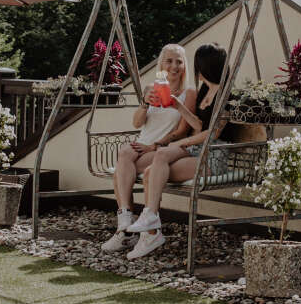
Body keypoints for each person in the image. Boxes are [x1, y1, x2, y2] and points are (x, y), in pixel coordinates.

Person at [124, 42, 236, 260]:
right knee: (159, 159)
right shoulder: (204, 90)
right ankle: (151, 222)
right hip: (195, 149)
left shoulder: (227, 95)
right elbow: (196, 125)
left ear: (206, 66)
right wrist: (178, 107)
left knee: (151, 173)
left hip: (212, 155)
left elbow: (211, 134)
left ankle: (151, 232)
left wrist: (178, 143)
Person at [100, 43, 198, 253]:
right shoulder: (152, 88)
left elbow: (181, 131)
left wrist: (154, 145)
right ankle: (126, 218)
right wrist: (144, 103)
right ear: (161, 64)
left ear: (184, 65)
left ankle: (125, 228)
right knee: (125, 153)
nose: (174, 66)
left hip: (162, 148)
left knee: (121, 168)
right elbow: (137, 123)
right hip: (141, 146)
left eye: (178, 62)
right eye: (169, 61)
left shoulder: (188, 93)